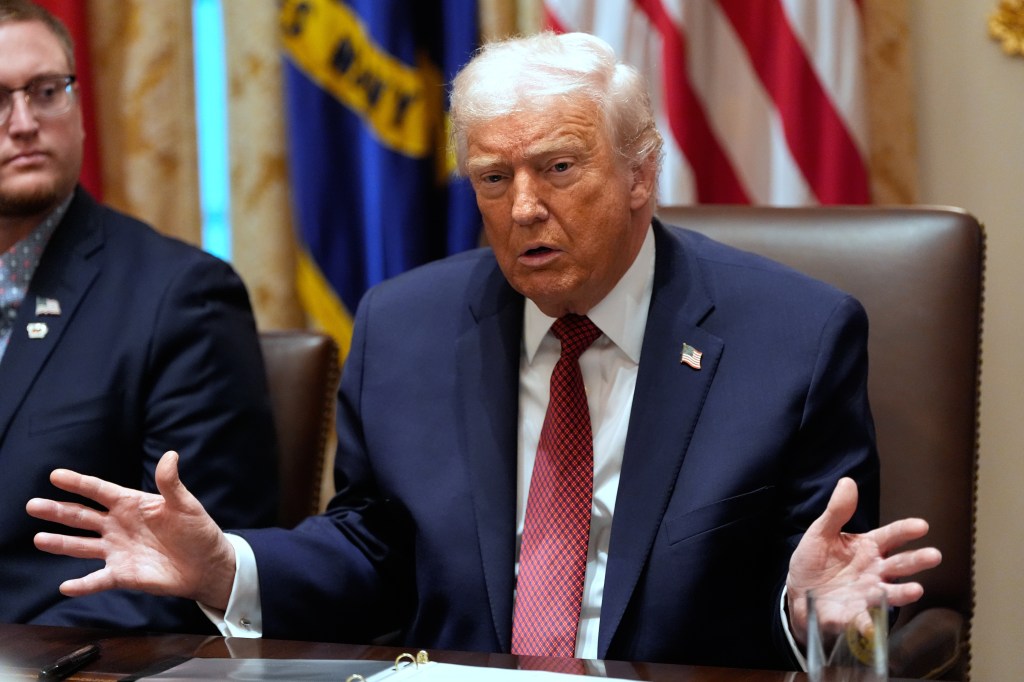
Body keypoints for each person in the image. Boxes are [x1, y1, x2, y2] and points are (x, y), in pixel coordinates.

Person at [27, 31, 941, 670]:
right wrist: (227, 567)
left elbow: (827, 588)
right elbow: (375, 551)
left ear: (640, 172)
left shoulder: (793, 337)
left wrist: (813, 616)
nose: (524, 208)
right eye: (493, 178)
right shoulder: (407, 326)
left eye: (559, 168)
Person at [0, 0, 279, 633]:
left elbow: (200, 570)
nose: (24, 123)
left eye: (46, 91)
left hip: (68, 659)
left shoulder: (182, 297)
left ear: (78, 108)